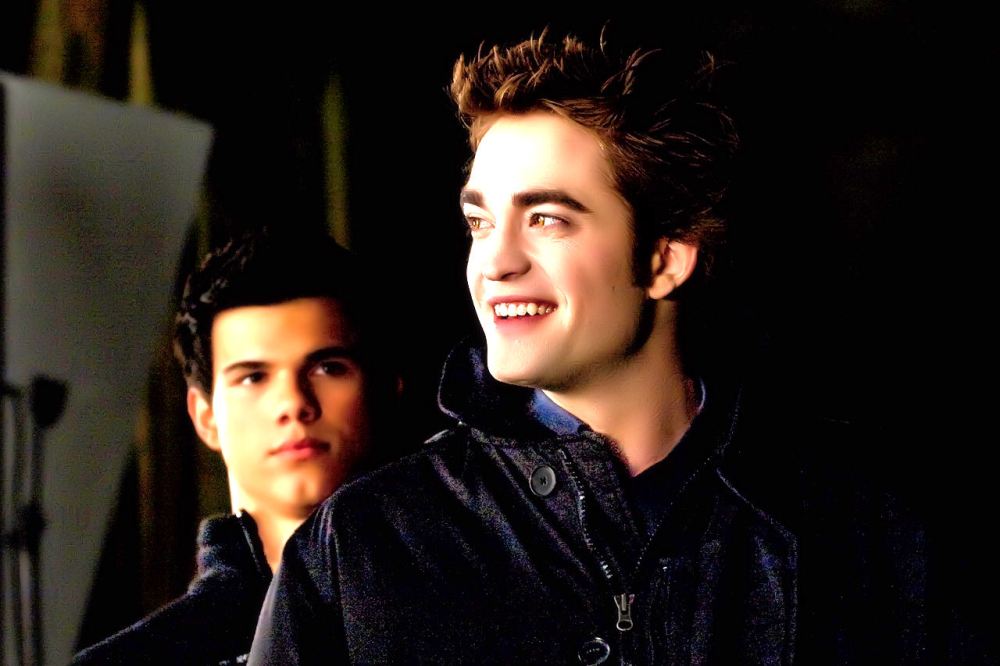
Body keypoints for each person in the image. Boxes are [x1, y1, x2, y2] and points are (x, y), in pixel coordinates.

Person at [250, 32, 970, 664]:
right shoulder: (363, 548)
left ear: (665, 258)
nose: (494, 262)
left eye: (547, 219)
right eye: (480, 222)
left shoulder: (870, 527)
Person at [74, 227, 399, 665]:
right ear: (205, 416)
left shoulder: (470, 609)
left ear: (387, 388)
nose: (293, 403)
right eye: (253, 377)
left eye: (328, 367)